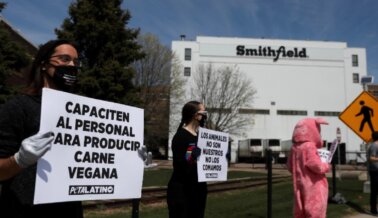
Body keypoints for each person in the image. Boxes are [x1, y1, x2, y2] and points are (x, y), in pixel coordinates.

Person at [0, 39, 83, 217]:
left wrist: (129, 158)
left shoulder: (79, 113)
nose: (71, 65)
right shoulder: (17, 107)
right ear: (44, 64)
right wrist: (19, 160)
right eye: (64, 59)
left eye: (76, 62)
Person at [167, 101, 208, 218]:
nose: (205, 116)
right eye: (203, 113)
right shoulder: (181, 136)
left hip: (198, 191)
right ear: (196, 115)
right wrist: (192, 155)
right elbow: (180, 166)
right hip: (182, 192)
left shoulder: (202, 137)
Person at [287, 118, 331, 218]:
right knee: (315, 210)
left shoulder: (294, 148)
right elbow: (315, 165)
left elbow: (289, 166)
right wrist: (326, 166)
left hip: (299, 185)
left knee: (300, 211)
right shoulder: (310, 146)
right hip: (314, 184)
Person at [367, 131, 378, 215]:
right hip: (375, 171)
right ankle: (373, 210)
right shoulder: (374, 145)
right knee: (374, 191)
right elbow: (371, 158)